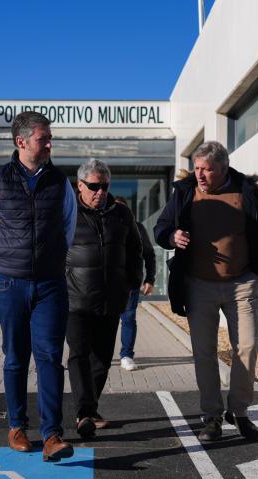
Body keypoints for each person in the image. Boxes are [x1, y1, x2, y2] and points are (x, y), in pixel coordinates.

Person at [155, 141, 258, 442]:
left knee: (247, 348)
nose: (199, 175)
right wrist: (173, 236)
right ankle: (211, 416)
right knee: (204, 353)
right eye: (197, 168)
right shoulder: (185, 192)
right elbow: (161, 228)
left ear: (223, 168)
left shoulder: (248, 191)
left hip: (242, 284)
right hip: (199, 285)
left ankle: (240, 411)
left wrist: (257, 274)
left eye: (206, 170)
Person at [0, 111, 78, 462]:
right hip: (10, 285)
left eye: (50, 138)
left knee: (50, 358)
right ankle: (17, 426)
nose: (49, 144)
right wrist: (8, 264)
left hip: (50, 285)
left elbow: (68, 227)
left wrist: (49, 262)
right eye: (43, 139)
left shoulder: (60, 182)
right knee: (16, 357)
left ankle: (52, 436)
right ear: (21, 142)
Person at [66, 159, 143, 438]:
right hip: (75, 298)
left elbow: (135, 250)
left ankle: (90, 409)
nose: (99, 192)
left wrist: (132, 283)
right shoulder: (67, 212)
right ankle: (84, 413)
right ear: (80, 185)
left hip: (111, 299)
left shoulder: (121, 213)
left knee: (102, 358)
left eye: (104, 186)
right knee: (78, 355)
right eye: (94, 186)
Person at [114, 196, 156, 371]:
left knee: (128, 318)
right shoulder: (102, 224)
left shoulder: (137, 228)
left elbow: (149, 254)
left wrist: (150, 279)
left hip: (130, 282)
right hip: (104, 284)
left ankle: (126, 355)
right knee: (101, 321)